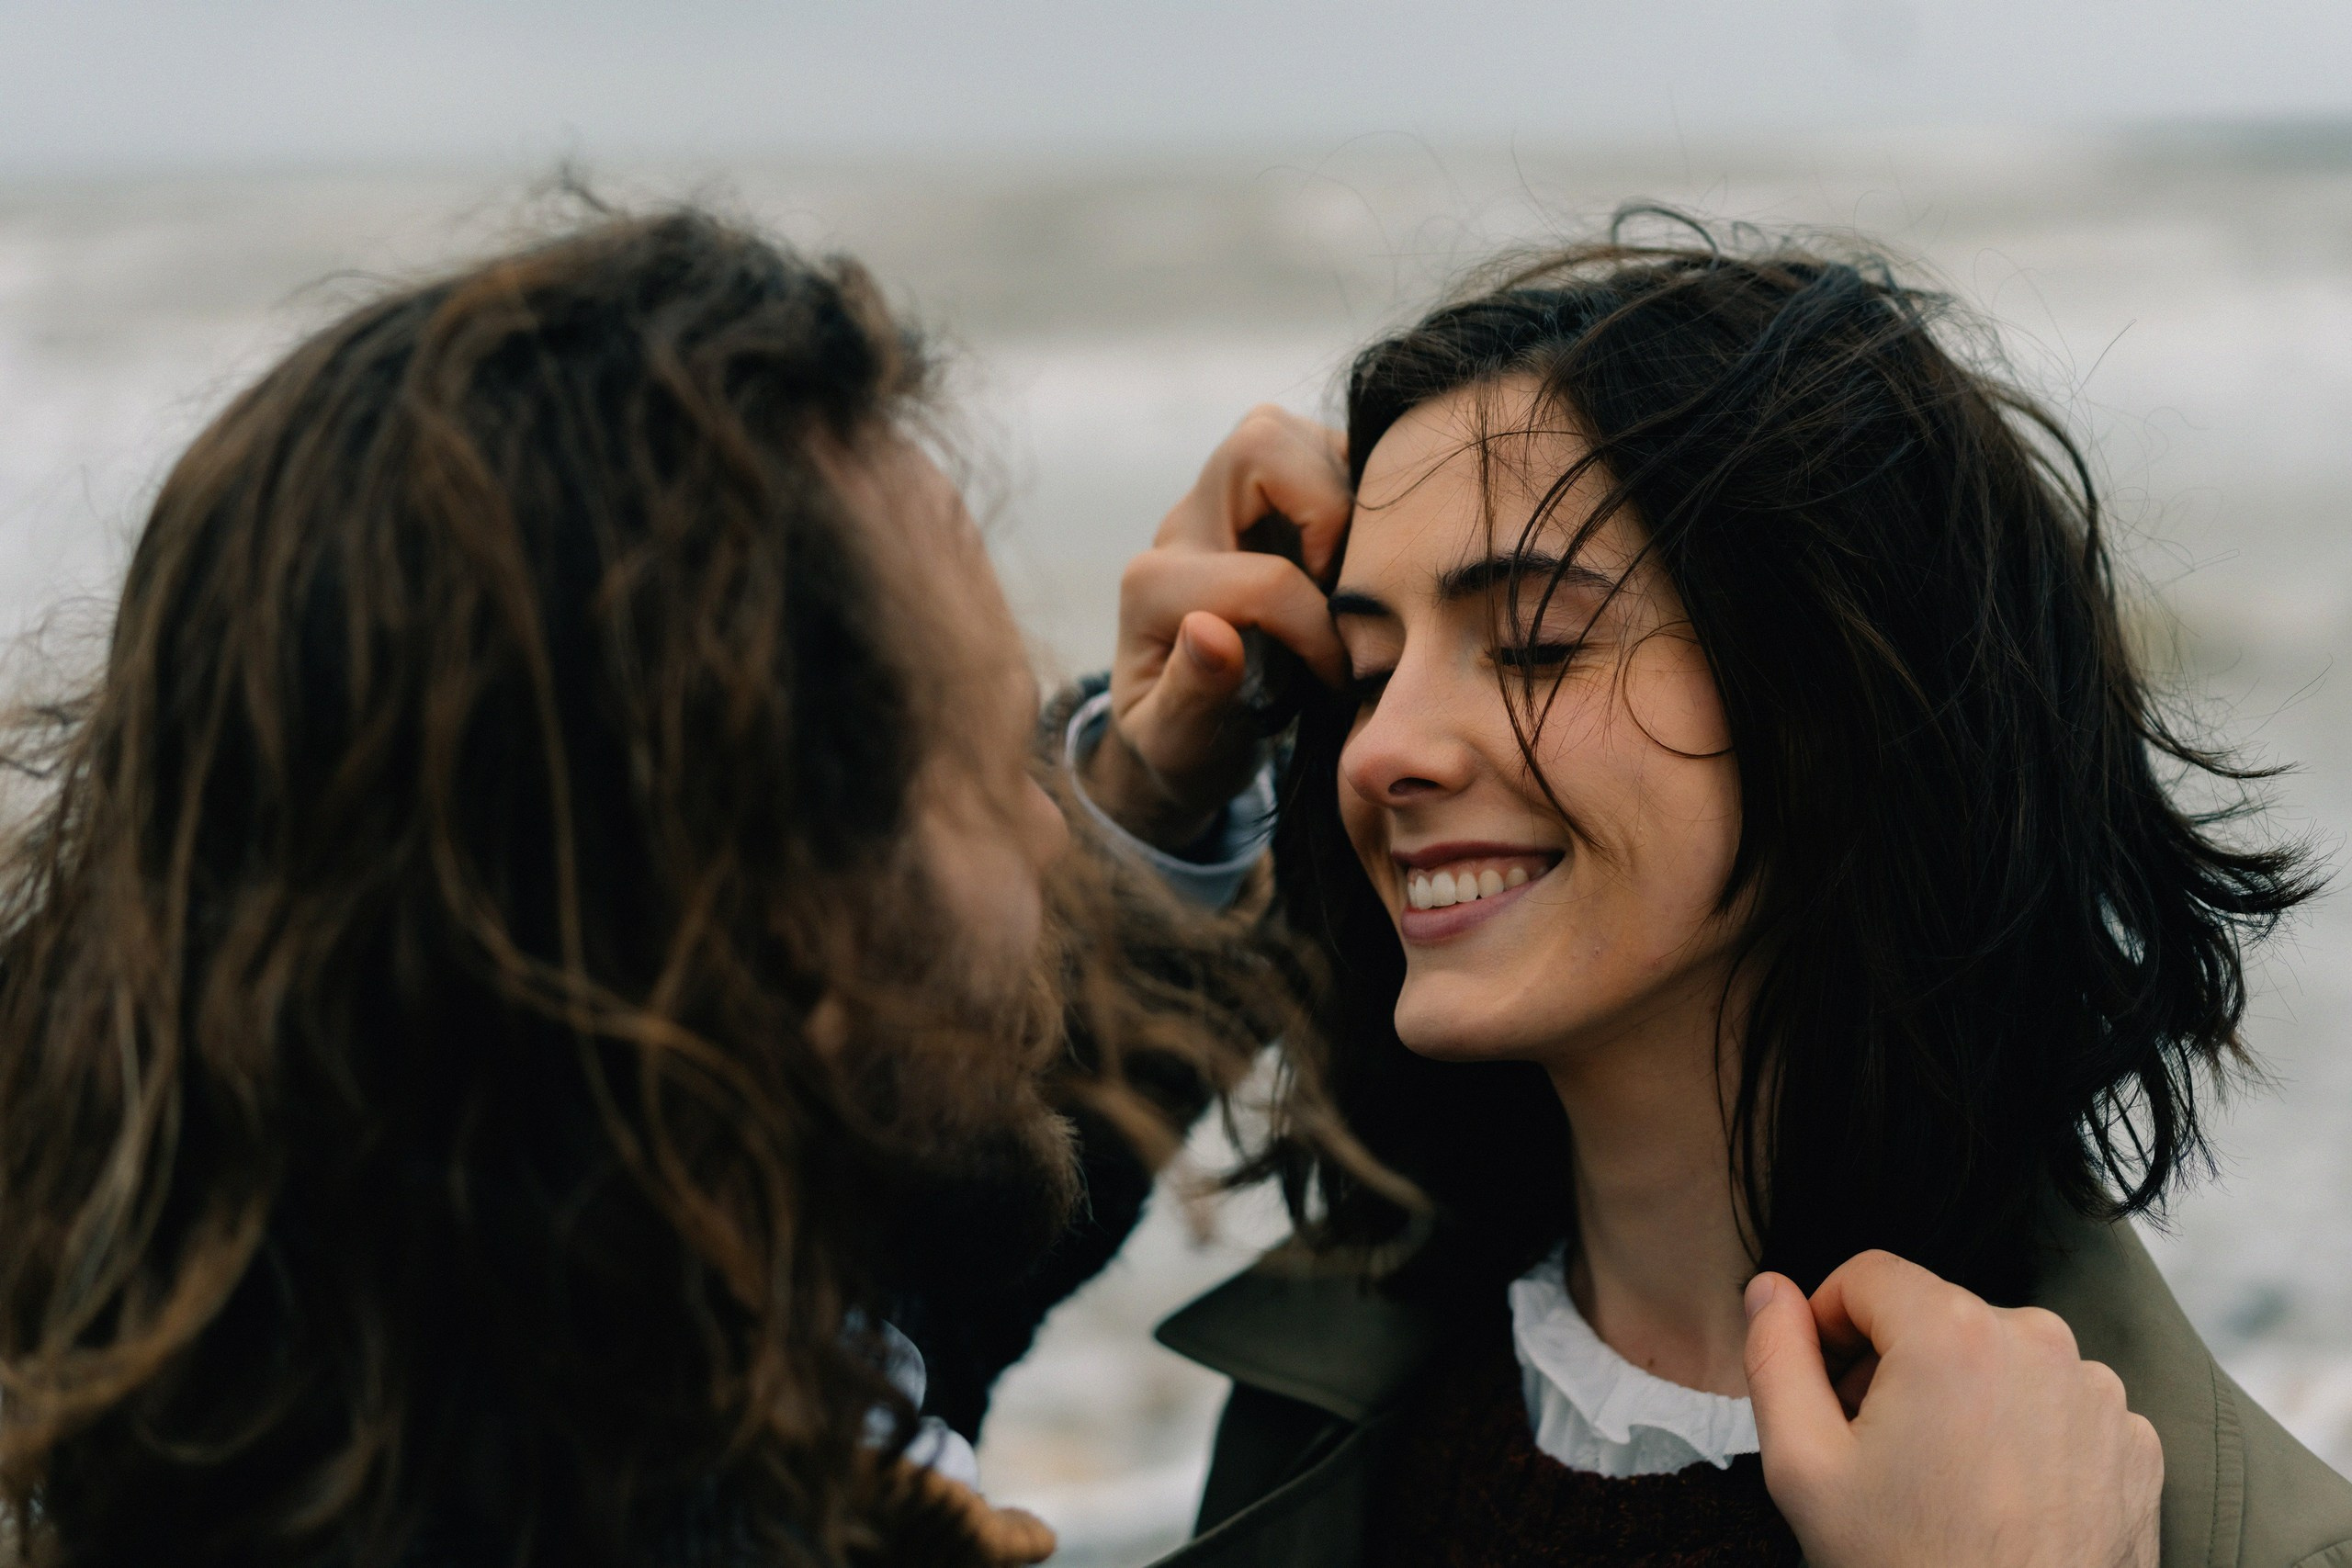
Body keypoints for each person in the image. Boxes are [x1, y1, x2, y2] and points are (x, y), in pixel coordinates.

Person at [0, 203, 2172, 1568]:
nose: (1371, 745)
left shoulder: (326, 1395)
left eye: (1519, 636)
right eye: (978, 761)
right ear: (740, 951)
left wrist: (1154, 790)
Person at [1086, 220, 2352, 1567]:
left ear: (1846, 700)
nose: (1384, 747)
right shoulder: (1324, 1402)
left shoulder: (2232, 1542)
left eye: (1532, 645)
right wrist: (1136, 806)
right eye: (1364, 668)